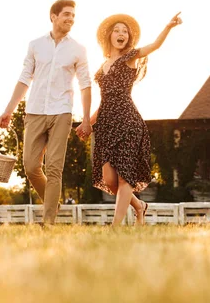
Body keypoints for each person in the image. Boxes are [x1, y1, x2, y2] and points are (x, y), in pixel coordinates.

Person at [77, 12, 182, 226]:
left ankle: (115, 227)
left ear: (129, 37)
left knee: (125, 176)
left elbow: (154, 46)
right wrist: (87, 122)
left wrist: (168, 27)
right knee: (110, 180)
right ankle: (140, 206)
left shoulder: (131, 56)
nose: (121, 33)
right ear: (109, 35)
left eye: (125, 31)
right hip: (106, 125)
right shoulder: (103, 65)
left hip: (127, 121)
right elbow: (104, 100)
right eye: (117, 30)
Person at [0, 0, 92, 225]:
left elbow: (85, 84)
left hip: (62, 112)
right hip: (35, 111)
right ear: (53, 16)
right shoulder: (35, 45)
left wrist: (86, 119)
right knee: (30, 166)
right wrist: (8, 110)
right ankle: (53, 202)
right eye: (66, 14)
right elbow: (24, 78)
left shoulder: (78, 49)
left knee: (54, 167)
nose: (70, 19)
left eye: (73, 16)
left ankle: (48, 221)